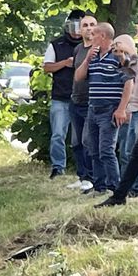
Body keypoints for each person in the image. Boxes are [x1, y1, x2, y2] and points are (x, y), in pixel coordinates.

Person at [74, 22, 133, 195]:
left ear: (103, 36)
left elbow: (129, 82)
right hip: (93, 108)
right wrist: (86, 60)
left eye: (94, 34)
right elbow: (78, 78)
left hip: (109, 109)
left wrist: (121, 109)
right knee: (93, 149)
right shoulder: (92, 56)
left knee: (106, 150)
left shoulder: (118, 56)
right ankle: (99, 187)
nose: (91, 37)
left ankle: (114, 188)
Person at [96, 34, 138, 207]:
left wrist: (129, 52)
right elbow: (128, 74)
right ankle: (119, 196)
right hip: (135, 111)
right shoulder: (128, 64)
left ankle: (121, 195)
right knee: (135, 155)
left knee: (134, 154)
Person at [43, 10, 88, 180]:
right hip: (61, 97)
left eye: (80, 26)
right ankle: (58, 166)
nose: (76, 31)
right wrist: (65, 63)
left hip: (82, 97)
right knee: (58, 134)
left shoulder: (89, 46)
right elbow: (47, 67)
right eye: (73, 26)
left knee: (82, 138)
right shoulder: (56, 44)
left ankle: (83, 169)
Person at [65, 13, 99, 190]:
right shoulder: (78, 49)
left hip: (91, 101)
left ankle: (92, 178)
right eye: (85, 25)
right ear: (80, 29)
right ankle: (82, 175)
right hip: (75, 100)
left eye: (92, 24)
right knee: (76, 141)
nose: (89, 28)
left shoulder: (99, 49)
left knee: (88, 141)